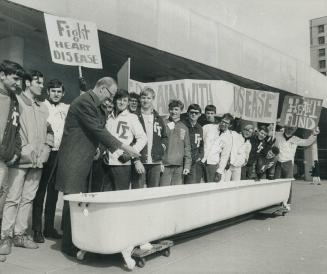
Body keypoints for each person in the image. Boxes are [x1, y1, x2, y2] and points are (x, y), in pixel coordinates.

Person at [54, 77, 140, 257]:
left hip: (84, 158)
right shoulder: (85, 102)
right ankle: (69, 246)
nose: (111, 99)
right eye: (111, 94)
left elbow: (98, 131)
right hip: (74, 158)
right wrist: (123, 146)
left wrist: (102, 150)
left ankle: (76, 241)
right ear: (102, 89)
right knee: (74, 201)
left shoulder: (93, 103)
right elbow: (98, 130)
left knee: (78, 201)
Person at [0, 70, 54, 256]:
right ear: (28, 83)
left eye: (42, 82)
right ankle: (5, 236)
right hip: (20, 160)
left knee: (28, 198)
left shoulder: (43, 107)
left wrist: (47, 148)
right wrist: (17, 152)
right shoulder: (17, 101)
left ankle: (20, 234)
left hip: (38, 161)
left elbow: (50, 130)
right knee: (12, 197)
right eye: (38, 82)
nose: (42, 86)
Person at [32, 79, 69, 243]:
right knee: (40, 190)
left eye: (59, 91)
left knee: (54, 191)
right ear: (48, 92)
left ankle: (49, 227)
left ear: (63, 93)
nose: (56, 94)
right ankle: (37, 229)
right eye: (53, 91)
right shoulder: (41, 106)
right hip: (45, 151)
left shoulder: (65, 108)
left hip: (59, 153)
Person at [0, 60, 24, 262]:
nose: (18, 83)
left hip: (2, 160)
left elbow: (16, 130)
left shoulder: (15, 100)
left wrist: (15, 151)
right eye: (15, 78)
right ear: (2, 75)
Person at [102, 89, 147, 191]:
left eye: (125, 100)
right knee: (105, 195)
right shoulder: (109, 117)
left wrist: (130, 153)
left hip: (121, 163)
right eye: (119, 100)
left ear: (127, 102)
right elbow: (105, 138)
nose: (122, 103)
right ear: (115, 100)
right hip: (106, 162)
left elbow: (143, 138)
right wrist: (104, 152)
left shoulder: (132, 117)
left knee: (120, 195)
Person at [274, 126, 320, 210]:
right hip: (277, 162)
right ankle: (276, 202)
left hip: (288, 163)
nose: (289, 130)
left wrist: (314, 134)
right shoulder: (277, 135)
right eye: (288, 128)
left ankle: (287, 203)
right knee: (276, 182)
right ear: (285, 127)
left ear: (294, 130)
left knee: (288, 184)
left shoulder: (295, 139)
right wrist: (274, 126)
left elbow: (306, 142)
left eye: (292, 129)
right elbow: (268, 134)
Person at [131, 87, 168, 189]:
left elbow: (164, 137)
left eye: (148, 98)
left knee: (153, 193)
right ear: (140, 99)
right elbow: (130, 140)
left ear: (153, 99)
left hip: (155, 162)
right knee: (137, 192)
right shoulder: (134, 116)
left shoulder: (158, 118)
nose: (145, 100)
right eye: (143, 97)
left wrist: (162, 147)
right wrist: (136, 160)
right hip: (140, 160)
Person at [160, 99, 191, 186]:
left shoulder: (184, 127)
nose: (173, 112)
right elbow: (158, 144)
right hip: (165, 165)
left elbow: (187, 147)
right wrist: (159, 162)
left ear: (181, 111)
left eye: (176, 109)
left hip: (179, 167)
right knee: (163, 192)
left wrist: (187, 166)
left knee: (176, 193)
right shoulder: (163, 124)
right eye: (171, 109)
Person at [201, 113, 233, 182]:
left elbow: (225, 156)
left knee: (210, 186)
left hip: (212, 164)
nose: (223, 124)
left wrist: (220, 171)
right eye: (223, 121)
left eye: (226, 123)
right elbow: (200, 143)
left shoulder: (229, 137)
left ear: (230, 125)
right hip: (200, 161)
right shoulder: (208, 127)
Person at [181, 104, 204, 184]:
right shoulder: (182, 125)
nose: (194, 114)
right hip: (182, 160)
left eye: (196, 113)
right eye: (192, 112)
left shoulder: (200, 128)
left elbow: (201, 144)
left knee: (191, 186)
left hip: (194, 162)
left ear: (200, 114)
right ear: (188, 113)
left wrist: (200, 156)